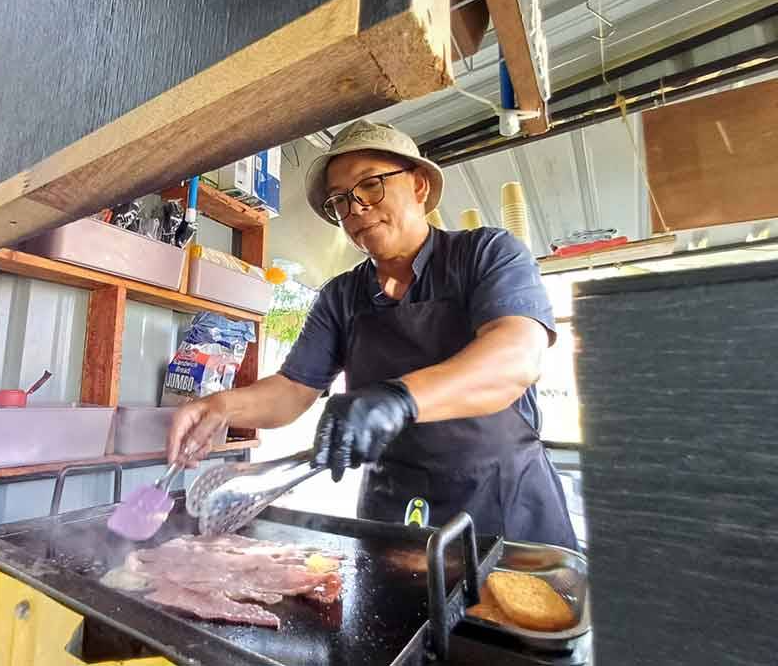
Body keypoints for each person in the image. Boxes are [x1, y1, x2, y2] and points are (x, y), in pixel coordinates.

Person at [167, 120, 577, 550]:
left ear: (419, 185)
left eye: (371, 185)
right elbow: (293, 389)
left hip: (504, 504)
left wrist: (398, 399)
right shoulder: (341, 296)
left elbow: (516, 355)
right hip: (393, 509)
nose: (356, 208)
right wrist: (219, 406)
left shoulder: (486, 253)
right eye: (340, 200)